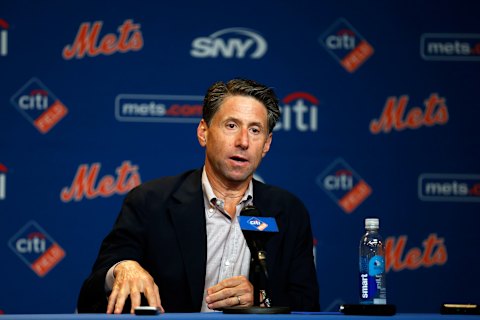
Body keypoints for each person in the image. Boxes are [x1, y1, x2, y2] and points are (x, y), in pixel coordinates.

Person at [77, 78, 320, 314]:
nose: (243, 141)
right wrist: (122, 268)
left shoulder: (289, 212)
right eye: (231, 125)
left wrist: (261, 299)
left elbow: (308, 306)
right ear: (203, 132)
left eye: (255, 130)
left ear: (266, 144)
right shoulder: (149, 202)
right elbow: (89, 298)